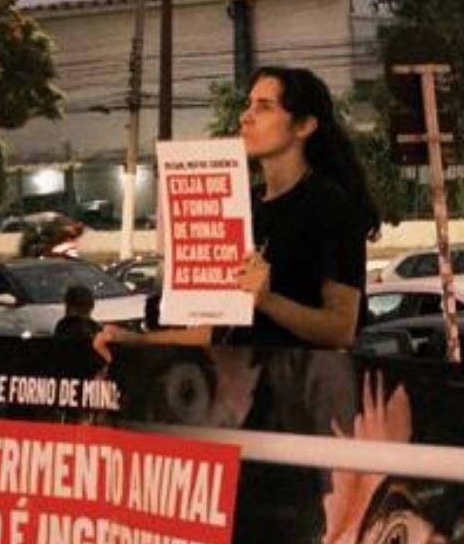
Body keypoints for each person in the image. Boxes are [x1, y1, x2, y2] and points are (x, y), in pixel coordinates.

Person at [103, 65, 376, 354]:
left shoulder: (330, 205)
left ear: (304, 125)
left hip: (297, 388)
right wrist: (137, 342)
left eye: (265, 107)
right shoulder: (245, 203)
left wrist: (268, 301)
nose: (246, 117)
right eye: (249, 105)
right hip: (236, 386)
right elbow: (221, 332)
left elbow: (341, 329)